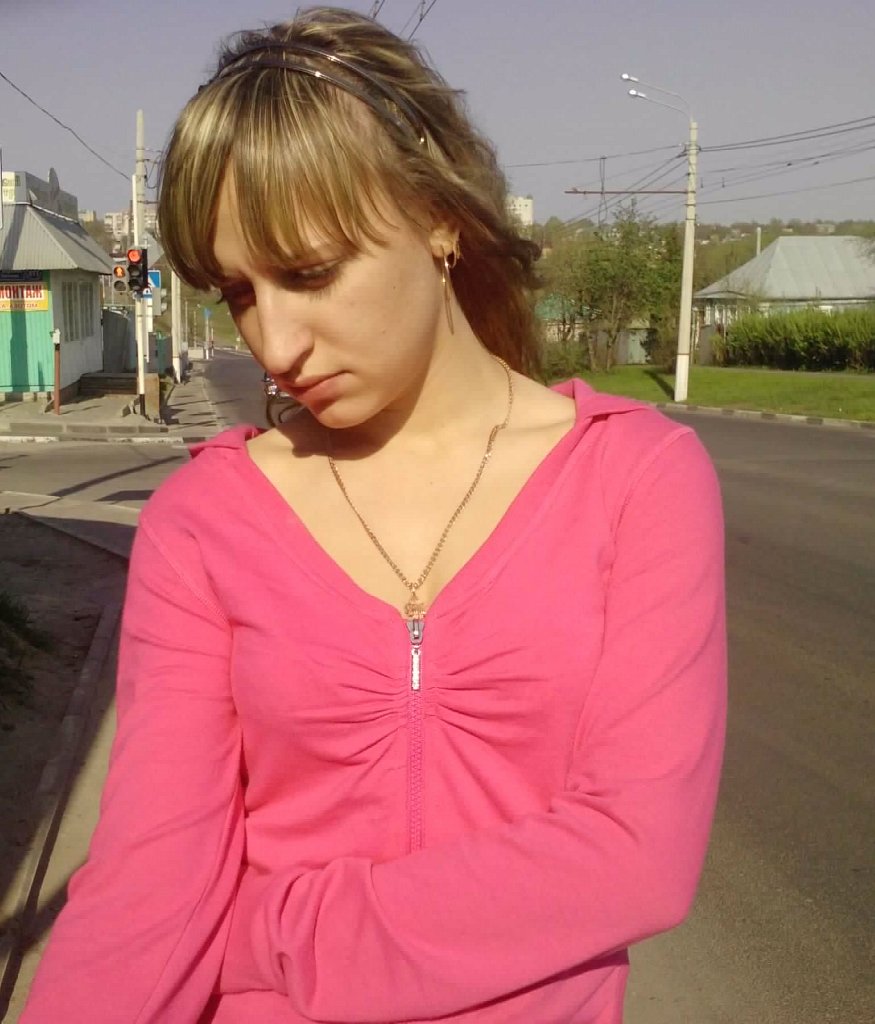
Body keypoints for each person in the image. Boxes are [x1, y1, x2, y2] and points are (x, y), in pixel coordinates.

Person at [21, 7, 726, 1023]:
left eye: (309, 273)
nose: (275, 344)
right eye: (238, 292)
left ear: (439, 217)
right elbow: (147, 885)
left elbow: (634, 852)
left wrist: (265, 933)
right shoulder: (203, 521)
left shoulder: (636, 478)